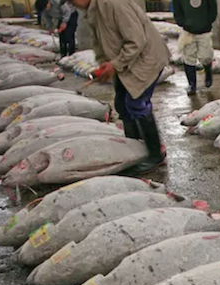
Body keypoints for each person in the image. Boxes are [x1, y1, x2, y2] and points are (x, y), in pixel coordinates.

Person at [72, 0, 170, 173]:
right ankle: (135, 149)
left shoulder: (113, 4)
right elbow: (100, 44)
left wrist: (115, 64)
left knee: (137, 104)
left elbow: (137, 40)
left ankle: (155, 155)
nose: (73, 4)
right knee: (122, 104)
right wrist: (105, 64)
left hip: (146, 59)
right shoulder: (93, 11)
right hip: (128, 62)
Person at [172, 0, 217, 96]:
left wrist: (207, 21)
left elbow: (213, 8)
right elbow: (177, 9)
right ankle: (192, 85)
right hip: (188, 32)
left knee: (206, 56)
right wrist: (182, 22)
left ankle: (208, 72)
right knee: (188, 57)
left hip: (205, 31)